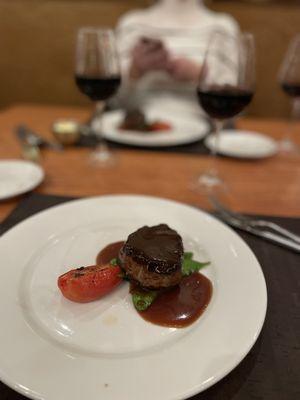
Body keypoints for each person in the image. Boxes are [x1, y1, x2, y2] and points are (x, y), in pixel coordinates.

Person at [116, 0, 239, 118]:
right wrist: (135, 71)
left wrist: (200, 75)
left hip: (205, 129)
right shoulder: (131, 24)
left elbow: (233, 105)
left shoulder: (223, 27)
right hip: (136, 128)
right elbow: (114, 103)